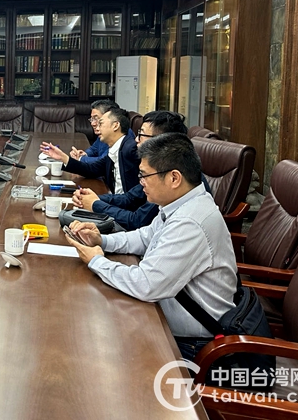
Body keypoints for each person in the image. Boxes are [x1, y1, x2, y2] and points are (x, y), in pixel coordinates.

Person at [65, 133, 238, 360]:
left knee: (93, 341)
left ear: (174, 178)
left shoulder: (191, 221)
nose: (140, 182)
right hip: (161, 314)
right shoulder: (182, 203)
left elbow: (147, 284)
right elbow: (146, 237)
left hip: (192, 344)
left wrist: (96, 261)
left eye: (145, 175)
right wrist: (102, 241)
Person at [71, 110, 189, 230]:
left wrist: (96, 204)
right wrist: (92, 198)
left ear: (162, 141)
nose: (136, 139)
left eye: (141, 134)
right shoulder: (158, 166)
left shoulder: (167, 176)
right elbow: (130, 198)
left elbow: (136, 221)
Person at [41, 106, 139, 194]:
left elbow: (132, 197)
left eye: (101, 123)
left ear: (115, 126)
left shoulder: (130, 149)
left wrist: (96, 200)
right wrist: (63, 158)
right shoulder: (115, 149)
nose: (97, 127)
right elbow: (91, 170)